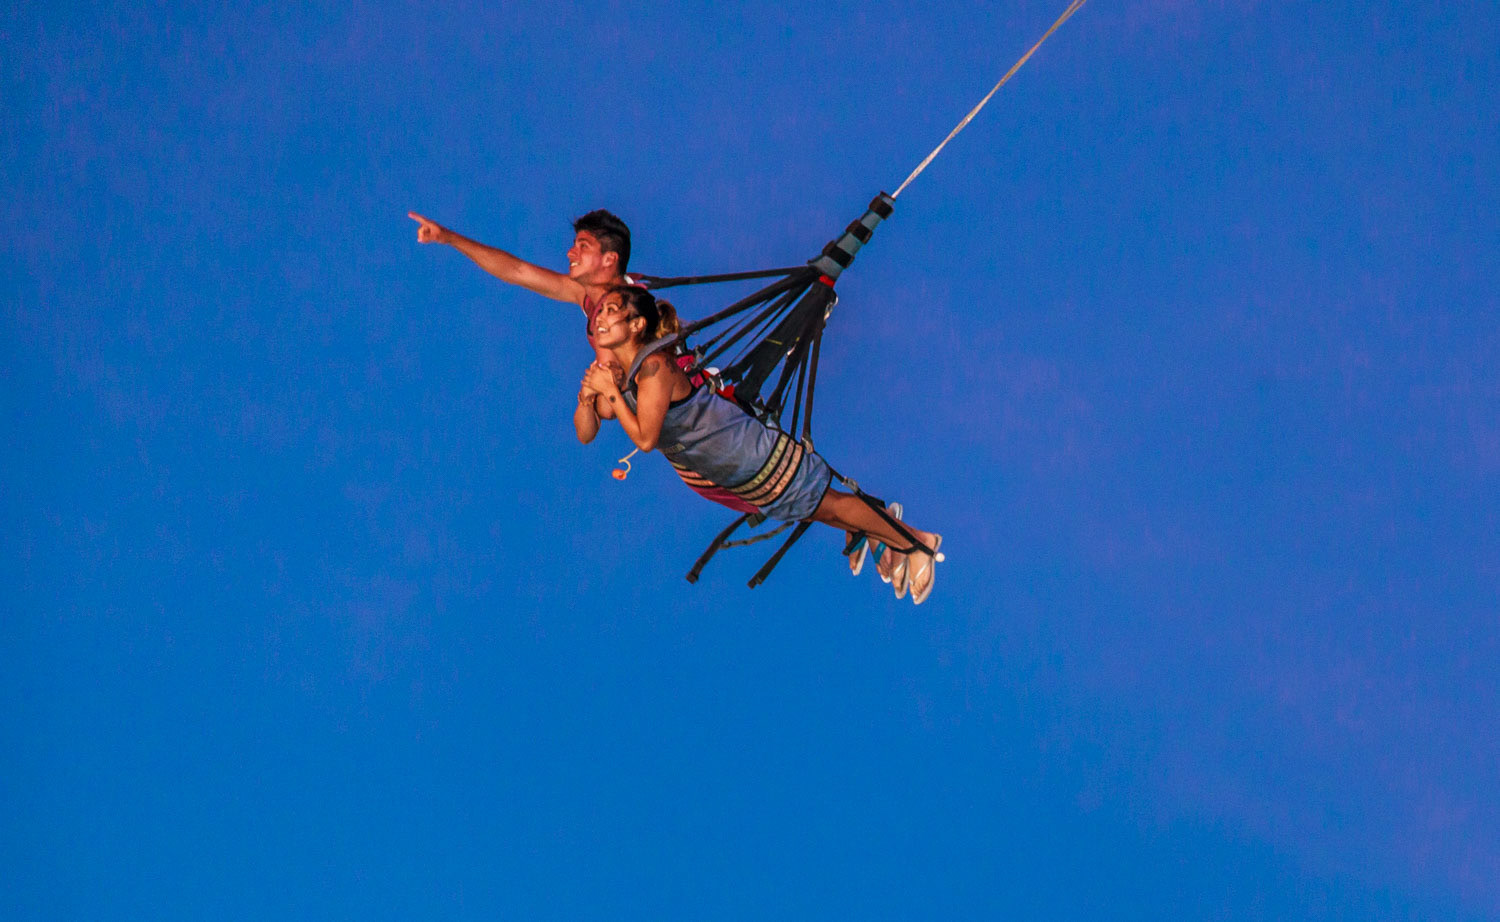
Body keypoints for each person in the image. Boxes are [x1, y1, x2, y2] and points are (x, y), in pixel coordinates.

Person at [575, 285, 944, 603]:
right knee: (821, 510)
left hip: (748, 451)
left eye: (612, 310)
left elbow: (645, 438)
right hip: (733, 468)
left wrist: (609, 391)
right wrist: (588, 397)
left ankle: (916, 542)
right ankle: (901, 541)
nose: (600, 317)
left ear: (637, 324)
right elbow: (586, 433)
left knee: (830, 504)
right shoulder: (629, 379)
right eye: (601, 311)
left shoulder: (655, 368)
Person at [408, 208, 635, 363]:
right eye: (574, 244)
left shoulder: (629, 306)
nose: (570, 253)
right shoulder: (586, 294)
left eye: (583, 246)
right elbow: (516, 271)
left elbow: (610, 388)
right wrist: (448, 237)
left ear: (609, 259)